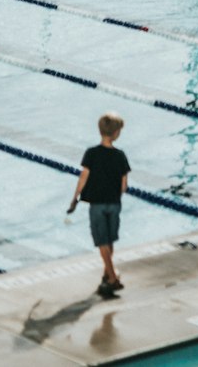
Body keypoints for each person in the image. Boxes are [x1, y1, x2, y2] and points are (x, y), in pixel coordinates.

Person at [67, 111, 130, 298]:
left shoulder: (91, 153)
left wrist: (75, 198)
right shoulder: (120, 155)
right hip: (114, 203)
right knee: (109, 239)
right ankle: (107, 274)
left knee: (101, 241)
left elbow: (83, 178)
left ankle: (112, 277)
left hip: (97, 205)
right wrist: (115, 194)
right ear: (117, 133)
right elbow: (124, 185)